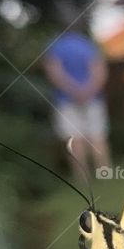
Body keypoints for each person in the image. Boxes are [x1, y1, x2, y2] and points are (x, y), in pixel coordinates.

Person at [43, 29, 111, 177]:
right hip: (93, 97)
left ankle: (82, 177)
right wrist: (89, 90)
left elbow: (55, 73)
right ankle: (104, 172)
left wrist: (73, 90)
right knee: (97, 135)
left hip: (65, 100)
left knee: (74, 139)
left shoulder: (55, 47)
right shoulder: (87, 44)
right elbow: (100, 70)